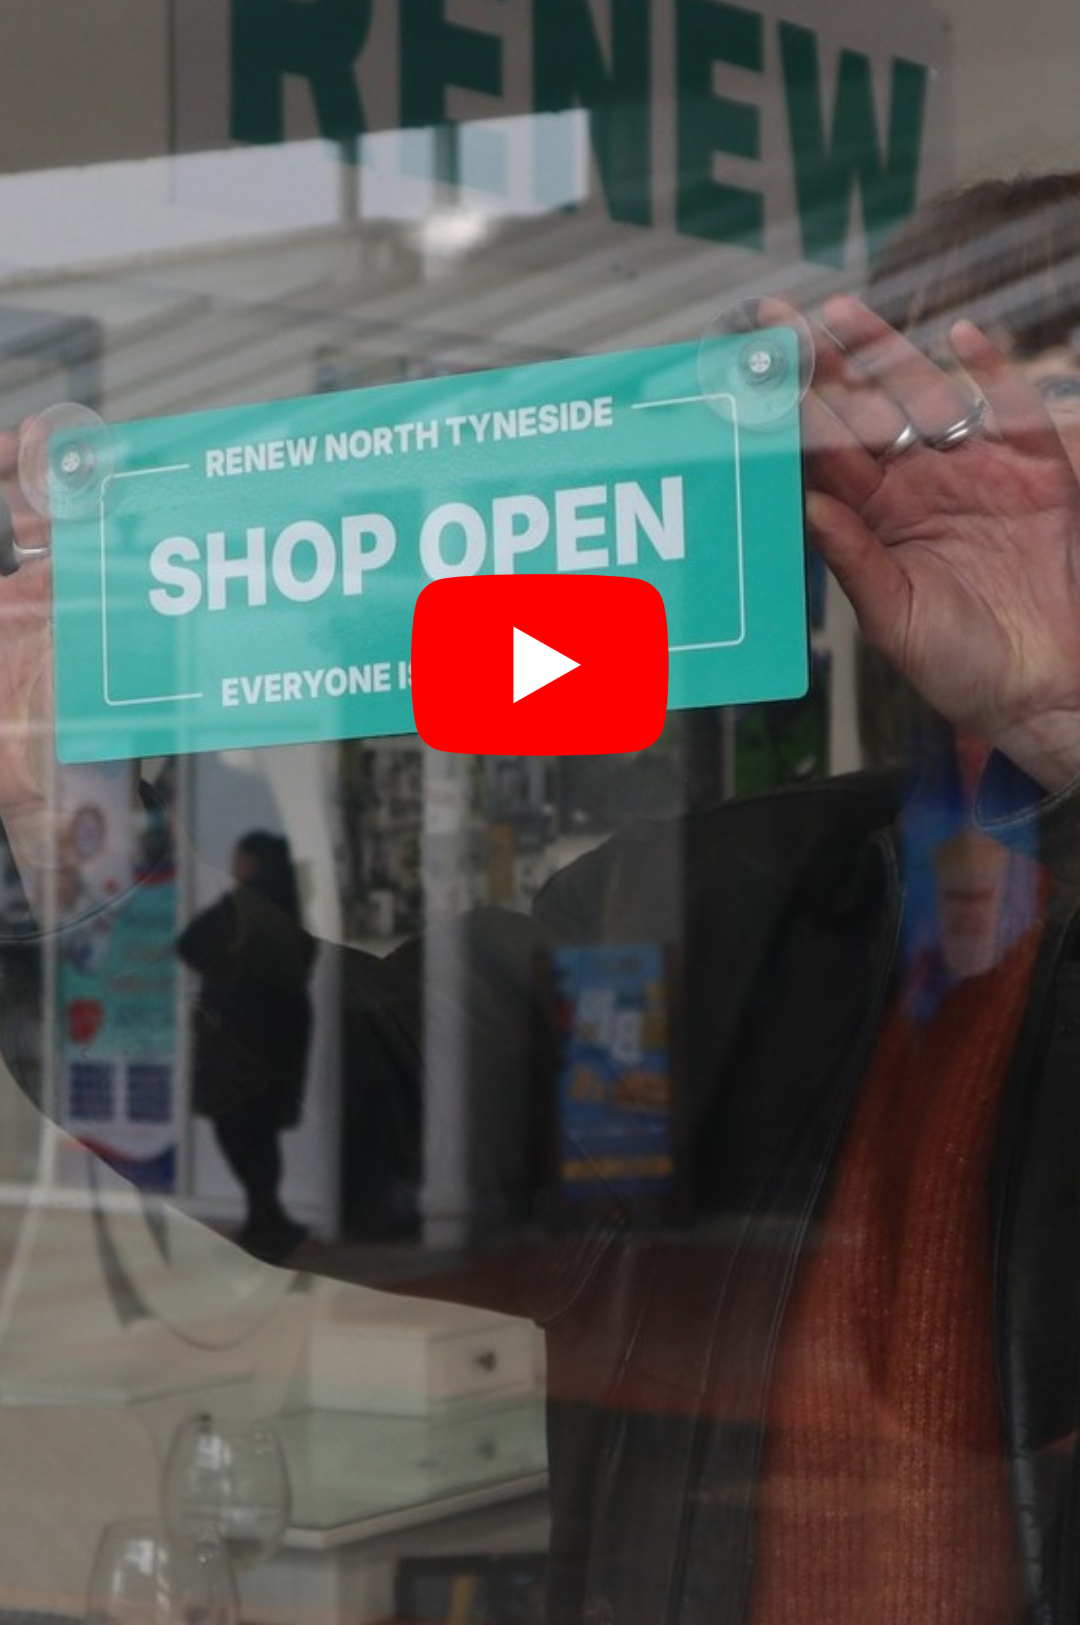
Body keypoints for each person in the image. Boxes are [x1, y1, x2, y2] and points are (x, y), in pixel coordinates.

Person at [5, 175, 1080, 1618]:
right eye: (945, 415)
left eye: (1059, 407)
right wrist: (71, 846)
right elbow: (337, 1133)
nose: (1010, 472)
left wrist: (1070, 721)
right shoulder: (747, 909)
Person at [178, 829, 315, 1261]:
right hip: (277, 1039)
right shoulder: (287, 908)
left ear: (252, 862)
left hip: (239, 1041)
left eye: (238, 858)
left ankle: (267, 1221)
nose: (232, 867)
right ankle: (268, 1220)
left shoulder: (243, 907)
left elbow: (190, 943)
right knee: (259, 1133)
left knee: (238, 1129)